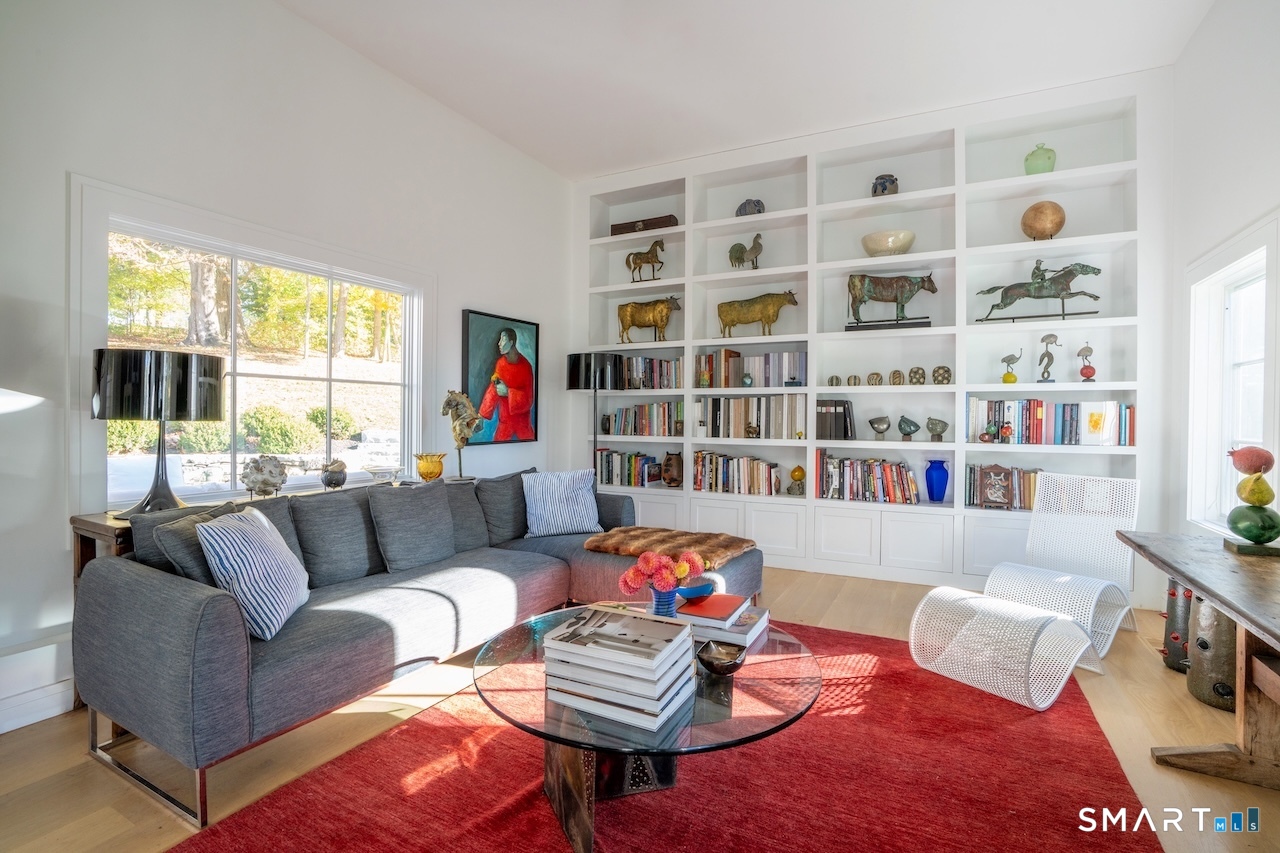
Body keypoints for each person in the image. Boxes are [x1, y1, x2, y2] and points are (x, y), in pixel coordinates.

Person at [478, 326, 535, 441]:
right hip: (504, 422)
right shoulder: (500, 364)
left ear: (511, 342)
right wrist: (481, 416)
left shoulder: (526, 366)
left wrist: (509, 393)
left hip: (522, 423)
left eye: (503, 339)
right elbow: (493, 389)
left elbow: (529, 400)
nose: (499, 343)